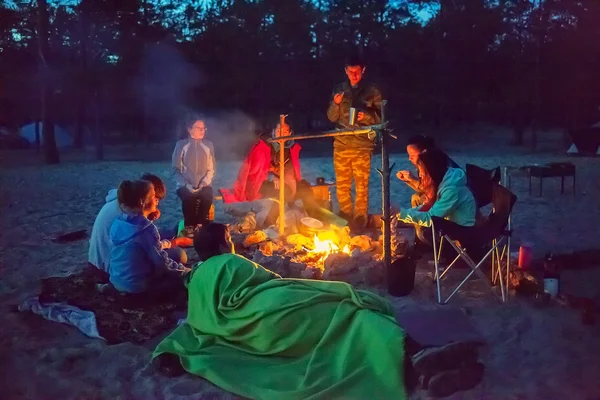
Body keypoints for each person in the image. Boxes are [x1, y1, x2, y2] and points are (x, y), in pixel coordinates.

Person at [88, 173, 187, 281]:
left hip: (97, 263)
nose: (157, 203)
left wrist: (172, 232)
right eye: (155, 198)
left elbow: (140, 237)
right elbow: (148, 243)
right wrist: (173, 242)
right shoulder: (124, 214)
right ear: (143, 199)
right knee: (179, 255)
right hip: (111, 268)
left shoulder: (124, 206)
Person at [327, 53, 382, 229]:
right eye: (350, 71)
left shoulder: (372, 91)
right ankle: (345, 216)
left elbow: (382, 118)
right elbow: (331, 117)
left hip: (362, 145)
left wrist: (366, 116)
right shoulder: (339, 90)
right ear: (346, 71)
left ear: (363, 70)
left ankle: (360, 219)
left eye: (357, 71)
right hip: (341, 144)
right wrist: (335, 104)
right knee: (342, 185)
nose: (354, 75)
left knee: (361, 186)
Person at [108, 180, 189, 296]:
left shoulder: (118, 221)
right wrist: (186, 271)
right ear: (142, 202)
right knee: (179, 281)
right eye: (153, 196)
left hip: (116, 280)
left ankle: (114, 289)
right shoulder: (147, 229)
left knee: (175, 255)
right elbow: (162, 263)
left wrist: (168, 242)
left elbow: (143, 245)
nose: (156, 200)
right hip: (138, 287)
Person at [395, 148, 476, 247]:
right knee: (422, 224)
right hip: (452, 227)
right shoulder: (443, 180)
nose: (420, 175)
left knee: (425, 232)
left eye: (422, 171)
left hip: (463, 233)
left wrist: (401, 213)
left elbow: (432, 218)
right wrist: (400, 213)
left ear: (432, 171)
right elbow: (427, 207)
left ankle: (447, 254)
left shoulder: (451, 190)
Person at [222, 121, 302, 203]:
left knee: (301, 188)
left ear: (289, 133)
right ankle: (271, 215)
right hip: (258, 182)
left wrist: (283, 179)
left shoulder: (291, 149)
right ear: (273, 131)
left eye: (284, 132)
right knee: (282, 191)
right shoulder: (262, 146)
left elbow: (290, 169)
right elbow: (257, 169)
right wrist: (272, 177)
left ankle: (299, 211)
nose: (281, 134)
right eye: (278, 130)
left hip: (280, 179)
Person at [172, 116, 216, 238]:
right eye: (198, 128)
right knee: (189, 198)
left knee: (207, 196)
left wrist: (203, 183)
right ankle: (189, 226)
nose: (202, 130)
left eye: (204, 128)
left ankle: (200, 225)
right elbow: (175, 170)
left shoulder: (208, 145)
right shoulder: (181, 145)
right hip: (184, 184)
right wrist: (187, 184)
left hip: (204, 184)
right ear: (189, 129)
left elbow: (211, 168)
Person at [397, 135, 460, 210]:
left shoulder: (436, 165)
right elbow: (426, 188)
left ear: (424, 152)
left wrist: (412, 179)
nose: (410, 158)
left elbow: (432, 189)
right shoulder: (422, 165)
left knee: (419, 200)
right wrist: (408, 180)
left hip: (451, 199)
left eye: (412, 155)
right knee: (416, 197)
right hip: (440, 195)